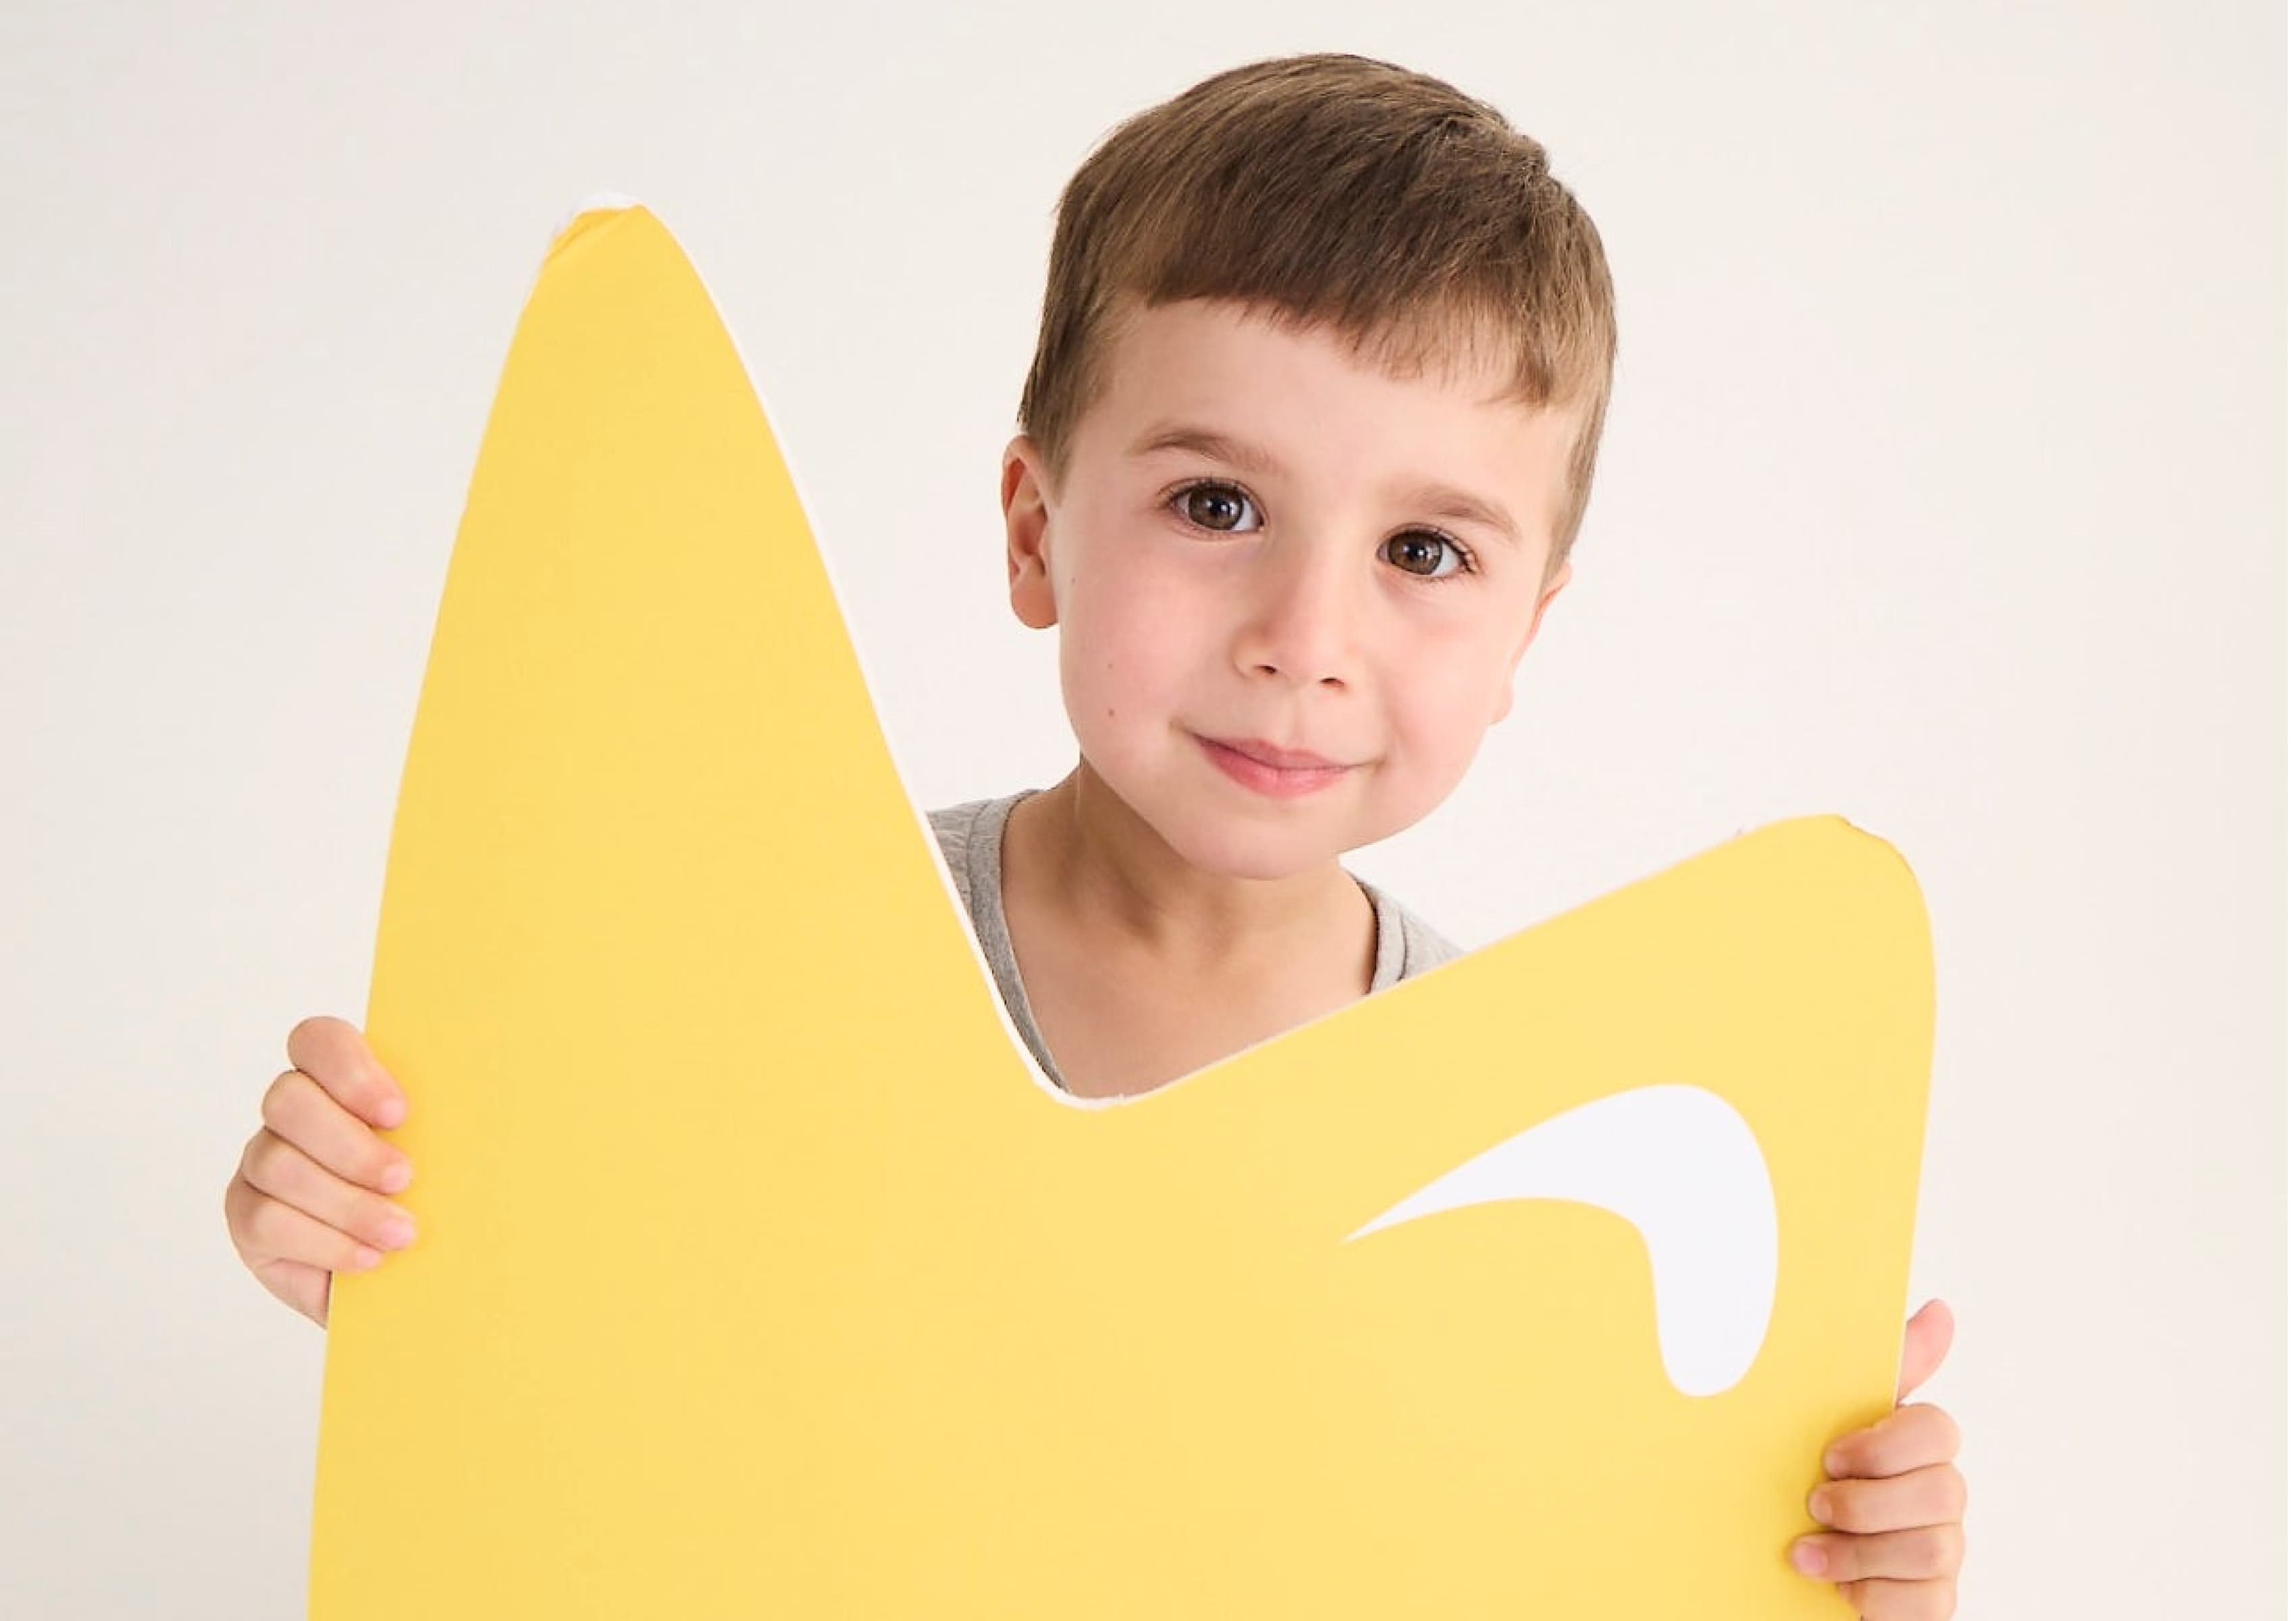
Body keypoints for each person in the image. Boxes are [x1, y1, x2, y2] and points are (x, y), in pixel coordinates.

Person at [222, 53, 1966, 1618]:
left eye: (1424, 552)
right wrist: (378, 1255)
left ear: (1526, 634)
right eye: (1217, 504)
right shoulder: (769, 952)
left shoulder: (1533, 1152)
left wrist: (1815, 1558)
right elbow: (603, 1371)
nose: (1306, 637)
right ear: (1034, 529)